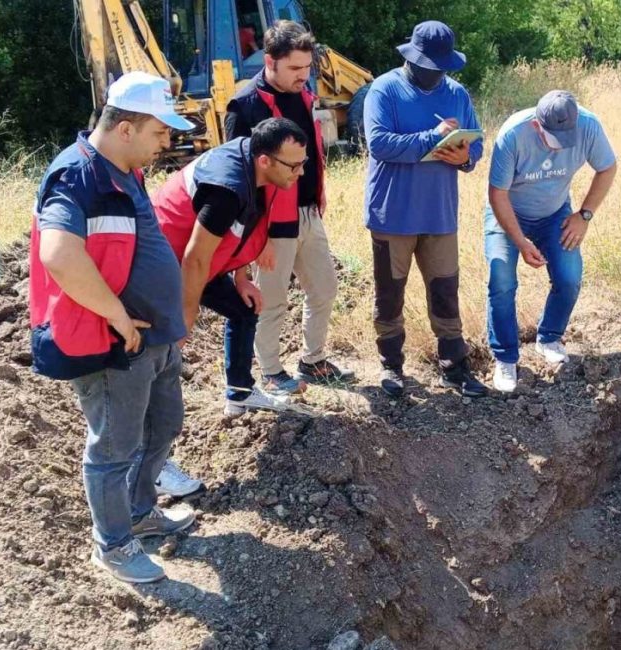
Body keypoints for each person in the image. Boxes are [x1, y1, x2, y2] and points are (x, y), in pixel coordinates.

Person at [28, 71, 197, 583]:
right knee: (113, 447)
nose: (167, 141)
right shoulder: (78, 176)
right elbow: (58, 253)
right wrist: (118, 315)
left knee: (162, 426)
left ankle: (140, 512)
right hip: (113, 344)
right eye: (159, 132)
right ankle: (113, 544)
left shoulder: (126, 170)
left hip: (155, 339)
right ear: (125, 128)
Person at [224, 20, 353, 397]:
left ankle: (312, 360)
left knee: (324, 288)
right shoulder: (245, 105)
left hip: (308, 213)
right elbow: (237, 176)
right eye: (295, 68)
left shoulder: (305, 95)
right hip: (269, 223)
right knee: (271, 300)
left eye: (307, 68)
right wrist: (254, 235)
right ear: (270, 61)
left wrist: (319, 192)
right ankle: (270, 370)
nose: (304, 76)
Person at [152, 117, 309, 416]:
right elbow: (194, 258)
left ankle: (240, 394)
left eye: (304, 163)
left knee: (244, 308)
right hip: (166, 261)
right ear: (265, 160)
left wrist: (241, 277)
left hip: (201, 256)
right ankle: (148, 452)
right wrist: (186, 315)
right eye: (294, 166)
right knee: (164, 346)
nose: (300, 173)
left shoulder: (257, 163)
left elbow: (245, 226)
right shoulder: (226, 190)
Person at [363, 20, 486, 398]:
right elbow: (379, 144)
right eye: (428, 67)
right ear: (411, 60)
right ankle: (392, 368)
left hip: (439, 213)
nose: (436, 75)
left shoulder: (457, 94)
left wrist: (464, 156)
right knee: (389, 294)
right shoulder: (383, 90)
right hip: (392, 215)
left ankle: (454, 366)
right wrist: (431, 139)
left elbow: (476, 148)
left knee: (446, 290)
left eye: (442, 68)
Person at [484, 90, 617, 393]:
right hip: (507, 214)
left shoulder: (588, 126)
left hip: (555, 213)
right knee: (501, 280)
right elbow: (497, 195)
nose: (558, 148)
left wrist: (584, 215)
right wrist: (520, 241)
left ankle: (549, 337)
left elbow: (608, 167)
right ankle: (505, 357)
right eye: (552, 140)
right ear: (536, 126)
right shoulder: (513, 134)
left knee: (569, 277)